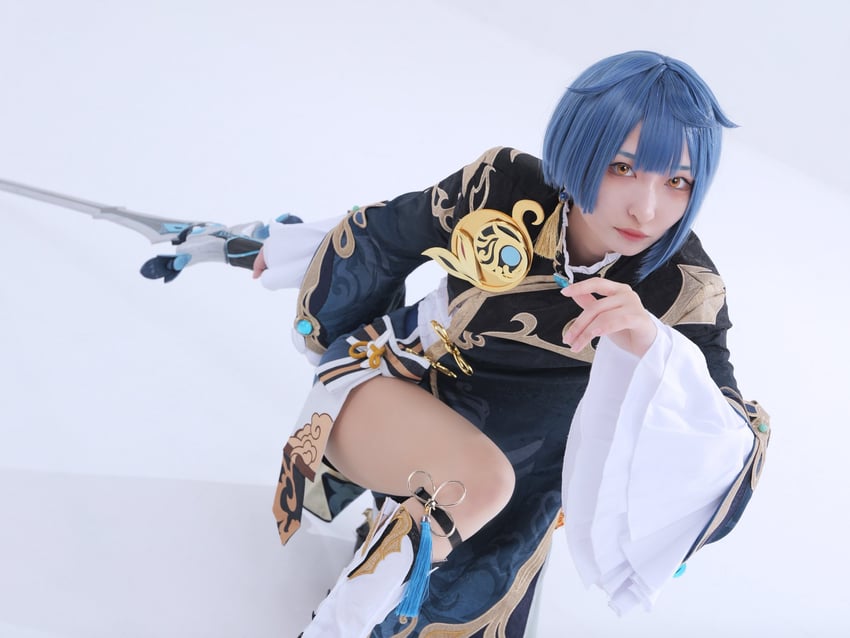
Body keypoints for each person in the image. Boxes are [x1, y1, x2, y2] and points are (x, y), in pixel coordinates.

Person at [251, 50, 770, 637]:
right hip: (398, 392)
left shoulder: (687, 288)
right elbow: (391, 231)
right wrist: (292, 249)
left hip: (523, 485)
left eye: (677, 181)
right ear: (579, 146)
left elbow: (726, 439)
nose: (646, 208)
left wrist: (655, 349)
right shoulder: (502, 186)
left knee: (467, 594)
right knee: (477, 480)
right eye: (622, 167)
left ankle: (390, 550)